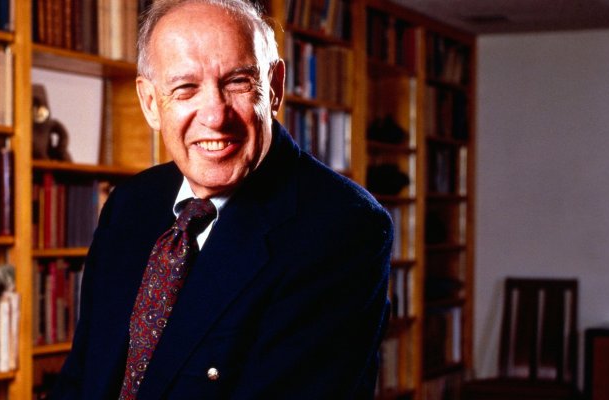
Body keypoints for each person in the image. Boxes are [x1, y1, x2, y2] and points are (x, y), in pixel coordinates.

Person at [49, 0, 393, 398]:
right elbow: (82, 376)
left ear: (274, 87)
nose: (215, 115)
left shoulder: (344, 227)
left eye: (237, 82)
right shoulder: (129, 203)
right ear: (150, 103)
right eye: (186, 88)